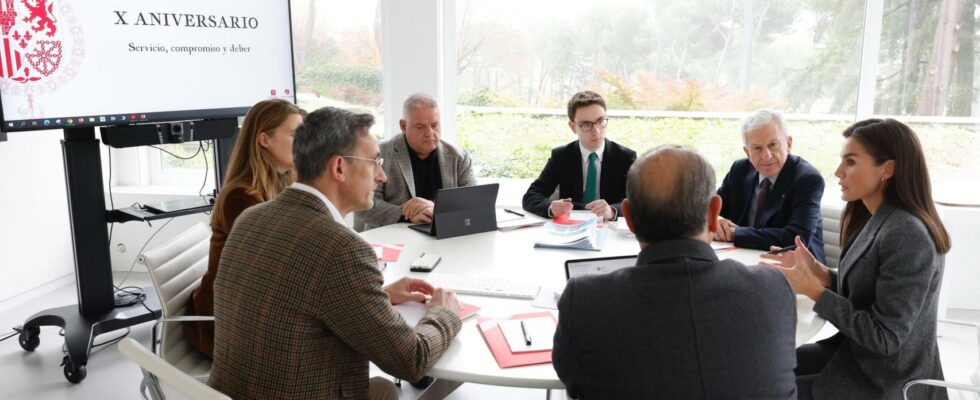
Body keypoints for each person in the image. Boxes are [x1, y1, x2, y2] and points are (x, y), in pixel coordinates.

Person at [208, 107, 463, 400]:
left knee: (383, 389)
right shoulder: (342, 248)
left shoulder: (251, 217)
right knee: (390, 388)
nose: (381, 176)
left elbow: (299, 293)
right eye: (374, 163)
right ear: (339, 167)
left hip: (233, 392)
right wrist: (443, 313)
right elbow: (411, 361)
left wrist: (380, 295)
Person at [553, 145, 798, 399]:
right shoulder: (773, 290)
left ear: (629, 217)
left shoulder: (586, 302)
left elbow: (573, 380)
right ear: (715, 213)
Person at [761, 119, 950, 400]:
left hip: (885, 381)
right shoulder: (877, 219)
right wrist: (820, 272)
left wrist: (815, 290)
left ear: (887, 169)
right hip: (854, 359)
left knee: (760, 387)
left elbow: (885, 338)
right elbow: (869, 291)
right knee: (761, 368)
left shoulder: (908, 235)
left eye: (850, 162)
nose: (838, 172)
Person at [184, 99, 305, 358]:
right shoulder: (241, 197)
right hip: (227, 326)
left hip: (250, 310)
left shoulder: (282, 184)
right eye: (295, 134)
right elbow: (277, 268)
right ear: (264, 140)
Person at [714, 109, 826, 263]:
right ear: (747, 152)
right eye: (757, 148)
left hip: (797, 268)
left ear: (788, 144)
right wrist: (716, 219)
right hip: (745, 260)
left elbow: (796, 238)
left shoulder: (807, 179)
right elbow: (711, 207)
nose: (766, 155)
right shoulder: (739, 170)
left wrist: (735, 233)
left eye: (773, 145)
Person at [354, 93, 476, 231]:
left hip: (443, 236)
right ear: (404, 126)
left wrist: (433, 207)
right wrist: (408, 215)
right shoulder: (379, 154)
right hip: (391, 236)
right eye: (420, 127)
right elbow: (362, 205)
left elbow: (472, 203)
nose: (429, 133)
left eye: (434, 125)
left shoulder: (459, 157)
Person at [522, 90, 637, 220]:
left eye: (600, 121)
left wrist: (612, 211)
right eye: (587, 124)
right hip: (571, 226)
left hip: (610, 227)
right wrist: (550, 207)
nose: (596, 131)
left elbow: (640, 201)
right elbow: (531, 196)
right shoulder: (561, 156)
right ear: (573, 127)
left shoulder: (626, 157)